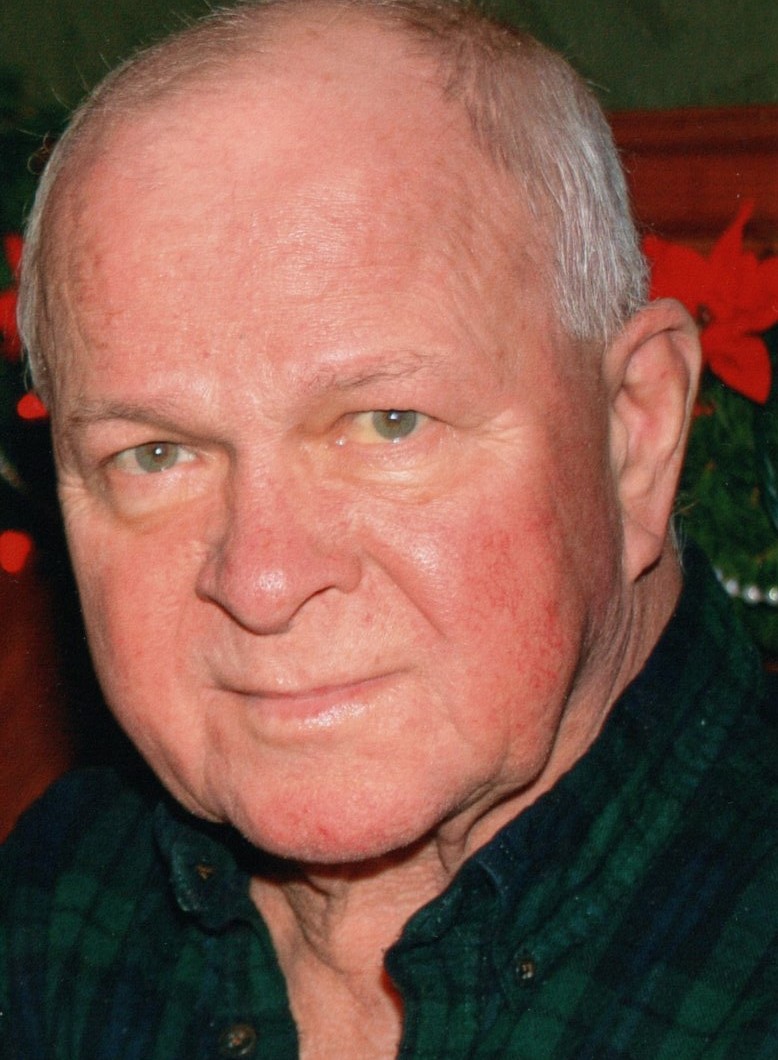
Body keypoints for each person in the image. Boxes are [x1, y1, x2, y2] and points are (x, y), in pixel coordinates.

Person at [1, 0, 775, 1056]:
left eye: (387, 423)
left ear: (633, 435)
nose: (262, 579)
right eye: (157, 453)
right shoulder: (61, 908)